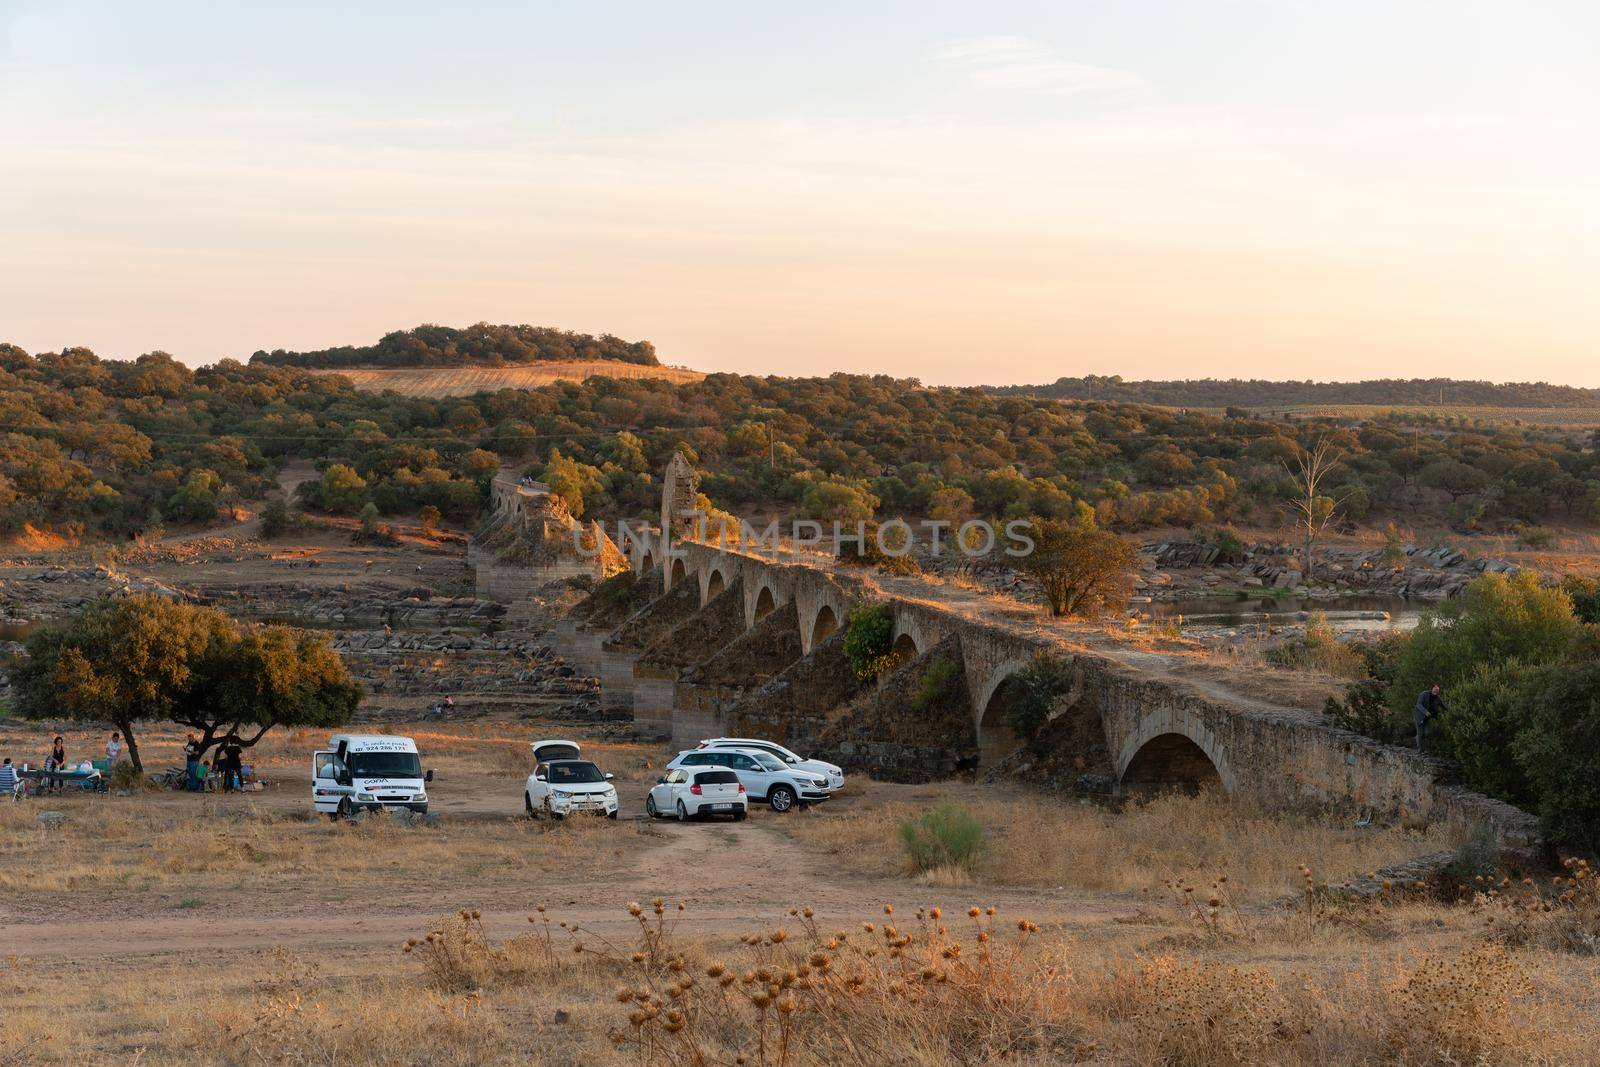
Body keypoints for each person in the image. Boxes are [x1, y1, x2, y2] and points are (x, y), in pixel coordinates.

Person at [1413, 684, 1447, 753]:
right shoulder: (1424, 694)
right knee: (1420, 733)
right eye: (1435, 690)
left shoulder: (1437, 698)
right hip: (1419, 716)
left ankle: (1417, 738)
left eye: (1437, 691)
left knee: (1427, 733)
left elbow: (1443, 705)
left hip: (1427, 718)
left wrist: (1453, 710)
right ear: (1431, 689)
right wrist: (1425, 712)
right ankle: (1420, 749)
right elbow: (1418, 704)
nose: (1436, 692)